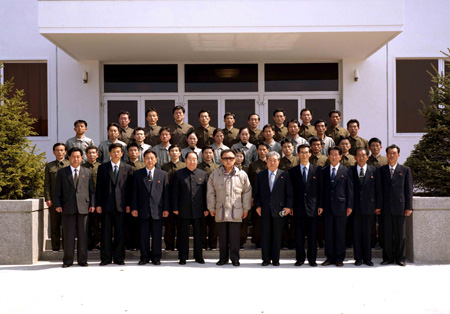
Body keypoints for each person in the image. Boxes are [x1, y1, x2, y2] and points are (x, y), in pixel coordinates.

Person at [207, 150, 252, 266]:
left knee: (235, 237)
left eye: (231, 158)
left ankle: (235, 258)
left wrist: (245, 208)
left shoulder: (241, 174)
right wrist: (211, 207)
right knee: (222, 237)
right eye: (226, 158)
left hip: (236, 210)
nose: (228, 161)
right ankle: (223, 258)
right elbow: (210, 192)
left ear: (235, 159)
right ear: (221, 160)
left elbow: (247, 192)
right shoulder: (215, 174)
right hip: (220, 209)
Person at [54, 147, 95, 268]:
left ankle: (83, 260)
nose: (76, 159)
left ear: (82, 158)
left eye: (78, 157)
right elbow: (57, 191)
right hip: (68, 207)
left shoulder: (87, 172)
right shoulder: (62, 172)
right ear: (69, 158)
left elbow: (92, 191)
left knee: (83, 235)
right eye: (73, 156)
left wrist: (92, 204)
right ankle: (67, 260)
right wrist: (58, 204)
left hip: (84, 207)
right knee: (68, 235)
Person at [96, 143, 133, 266]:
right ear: (109, 153)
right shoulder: (103, 168)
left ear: (122, 154)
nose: (116, 154)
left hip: (121, 206)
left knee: (120, 233)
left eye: (118, 152)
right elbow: (99, 188)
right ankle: (105, 258)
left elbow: (129, 189)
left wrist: (129, 204)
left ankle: (119, 258)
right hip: (106, 205)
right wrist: (98, 204)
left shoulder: (127, 168)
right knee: (105, 233)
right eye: (113, 152)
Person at [254, 151, 293, 266]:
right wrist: (257, 206)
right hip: (264, 209)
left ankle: (276, 259)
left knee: (277, 235)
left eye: (275, 160)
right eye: (270, 160)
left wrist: (288, 207)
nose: (272, 162)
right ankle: (266, 259)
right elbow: (256, 193)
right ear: (266, 161)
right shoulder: (260, 175)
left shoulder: (284, 175)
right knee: (265, 235)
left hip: (279, 210)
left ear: (279, 162)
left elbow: (289, 194)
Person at [131, 150, 170, 265]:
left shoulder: (163, 174)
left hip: (157, 210)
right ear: (144, 159)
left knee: (157, 236)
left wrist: (166, 209)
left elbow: (166, 194)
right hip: (142, 209)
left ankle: (156, 257)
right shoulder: (138, 174)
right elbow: (134, 193)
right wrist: (134, 208)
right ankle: (144, 257)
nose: (150, 160)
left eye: (152, 158)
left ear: (156, 160)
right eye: (147, 158)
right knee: (143, 235)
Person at [318, 146, 353, 267]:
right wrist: (321, 205)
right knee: (328, 233)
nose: (333, 157)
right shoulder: (323, 171)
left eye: (336, 155)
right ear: (328, 156)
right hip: (327, 207)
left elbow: (349, 190)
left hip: (341, 207)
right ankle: (329, 257)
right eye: (331, 154)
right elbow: (321, 191)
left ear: (340, 156)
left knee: (340, 233)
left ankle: (339, 258)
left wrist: (349, 206)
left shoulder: (346, 171)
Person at [379, 145, 413, 266]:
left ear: (398, 155)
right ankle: (388, 258)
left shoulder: (405, 170)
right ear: (386, 155)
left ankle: (400, 258)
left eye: (394, 153)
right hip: (386, 207)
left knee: (400, 234)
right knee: (387, 234)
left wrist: (409, 207)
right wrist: (379, 206)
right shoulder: (381, 170)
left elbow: (408, 190)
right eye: (389, 153)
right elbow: (379, 190)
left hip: (400, 207)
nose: (392, 155)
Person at [172, 152, 209, 264]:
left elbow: (206, 193)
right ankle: (183, 257)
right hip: (183, 209)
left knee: (199, 234)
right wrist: (175, 207)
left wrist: (206, 208)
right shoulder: (179, 174)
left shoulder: (203, 174)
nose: (192, 161)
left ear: (197, 160)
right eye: (189, 159)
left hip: (198, 210)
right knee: (183, 234)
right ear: (185, 160)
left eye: (194, 159)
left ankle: (199, 257)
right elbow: (175, 193)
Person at [289, 144, 321, 267]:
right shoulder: (293, 171)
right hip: (298, 208)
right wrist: (290, 206)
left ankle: (312, 259)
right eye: (301, 152)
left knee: (313, 236)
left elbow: (320, 190)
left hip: (313, 208)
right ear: (298, 154)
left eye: (306, 152)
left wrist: (320, 206)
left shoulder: (317, 170)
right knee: (299, 236)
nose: (304, 154)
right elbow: (290, 191)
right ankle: (300, 259)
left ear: (310, 154)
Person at [350, 148, 382, 266]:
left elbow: (378, 189)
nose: (361, 157)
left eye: (363, 155)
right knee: (356, 234)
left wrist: (378, 205)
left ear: (367, 157)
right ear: (355, 157)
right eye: (358, 155)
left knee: (368, 234)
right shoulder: (351, 171)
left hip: (370, 207)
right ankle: (358, 258)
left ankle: (368, 259)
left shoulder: (374, 170)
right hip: (355, 208)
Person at [44, 143, 70, 252]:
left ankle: (66, 247)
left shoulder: (69, 164)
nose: (60, 152)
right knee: (54, 224)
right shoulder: (50, 166)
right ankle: (55, 247)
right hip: (54, 200)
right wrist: (48, 198)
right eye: (57, 150)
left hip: (67, 200)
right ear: (54, 152)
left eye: (62, 150)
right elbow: (47, 184)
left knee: (66, 224)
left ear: (65, 152)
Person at [161, 145, 186, 251]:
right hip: (168, 198)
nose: (174, 153)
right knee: (169, 225)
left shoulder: (184, 165)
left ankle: (180, 245)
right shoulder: (164, 167)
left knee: (181, 225)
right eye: (172, 151)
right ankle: (169, 245)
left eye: (176, 151)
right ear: (169, 153)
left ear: (180, 153)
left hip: (181, 199)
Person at [197, 146, 220, 250]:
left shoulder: (218, 167)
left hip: (214, 198)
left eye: (210, 153)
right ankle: (202, 244)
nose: (208, 155)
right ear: (202, 154)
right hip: (200, 198)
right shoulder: (197, 167)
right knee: (202, 224)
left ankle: (213, 244)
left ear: (213, 154)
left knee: (213, 224)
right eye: (206, 153)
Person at [248, 141, 270, 248]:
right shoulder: (253, 165)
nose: (262, 151)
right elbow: (250, 182)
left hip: (270, 195)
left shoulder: (271, 163)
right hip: (258, 195)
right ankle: (258, 241)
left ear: (268, 151)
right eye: (260, 149)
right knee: (257, 220)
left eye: (264, 149)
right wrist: (252, 197)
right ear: (257, 151)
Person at [125, 141, 145, 251]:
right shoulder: (125, 165)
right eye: (131, 150)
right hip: (128, 197)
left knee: (140, 224)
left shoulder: (143, 165)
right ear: (127, 153)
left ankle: (138, 244)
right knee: (128, 224)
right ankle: (129, 244)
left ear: (139, 152)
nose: (133, 152)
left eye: (135, 150)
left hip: (141, 199)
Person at [82, 146, 102, 251]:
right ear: (86, 155)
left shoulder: (101, 167)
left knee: (97, 223)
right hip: (85, 199)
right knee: (87, 223)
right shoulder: (82, 167)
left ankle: (98, 242)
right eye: (89, 153)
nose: (91, 155)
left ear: (97, 155)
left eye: (94, 153)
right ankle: (88, 243)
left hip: (98, 198)